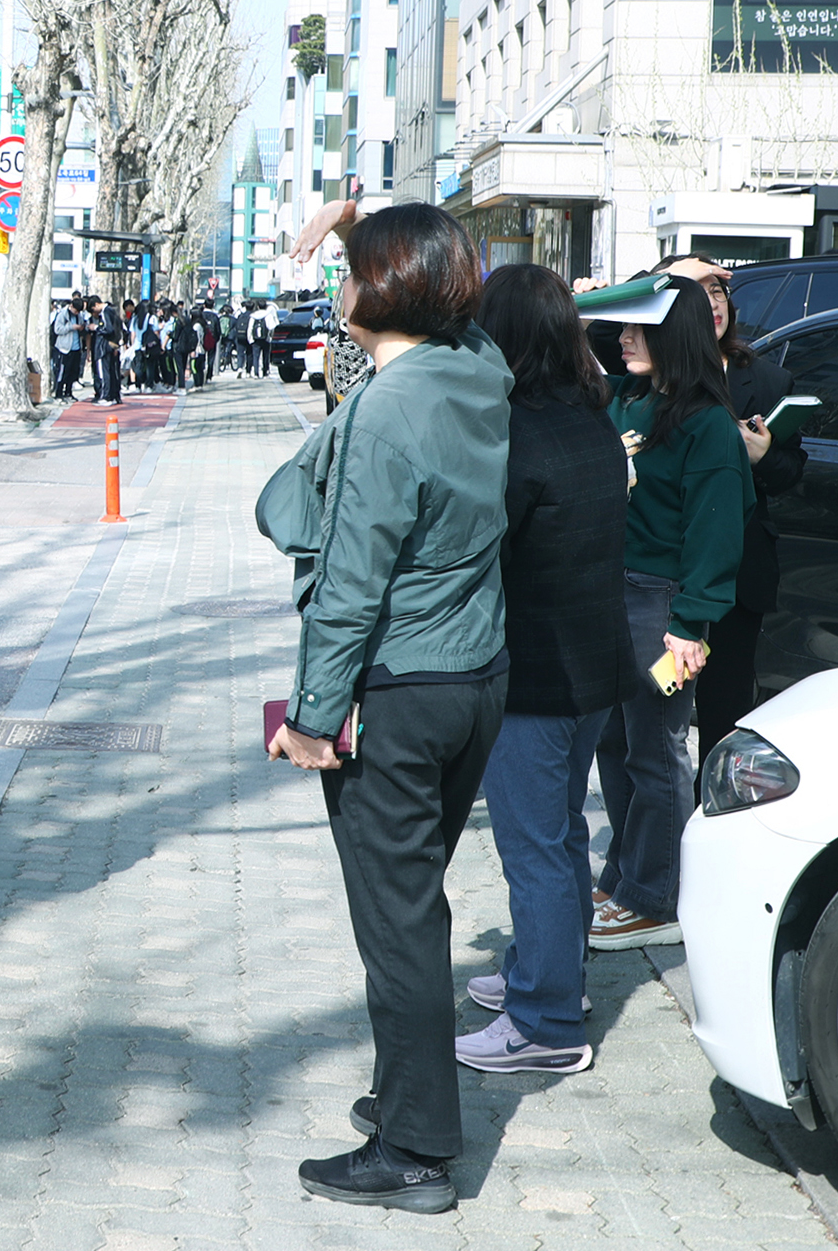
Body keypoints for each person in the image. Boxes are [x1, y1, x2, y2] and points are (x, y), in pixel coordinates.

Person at [255, 203, 514, 1214]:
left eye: (351, 274)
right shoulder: (476, 372)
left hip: (398, 693)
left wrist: (315, 716)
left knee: (399, 925)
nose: (341, 288)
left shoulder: (385, 410)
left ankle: (415, 1150)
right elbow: (454, 315)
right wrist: (351, 236)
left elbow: (350, 584)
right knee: (412, 906)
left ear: (382, 290)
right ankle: (405, 1098)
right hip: (475, 682)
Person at [454, 264, 635, 1076]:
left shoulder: (516, 434)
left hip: (537, 676)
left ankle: (548, 1024)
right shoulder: (590, 418)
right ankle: (544, 975)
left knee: (535, 849)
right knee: (559, 840)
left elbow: (480, 548)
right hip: (594, 664)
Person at [585, 278, 752, 949]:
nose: (623, 336)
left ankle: (656, 895)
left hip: (661, 606)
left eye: (640, 326)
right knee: (613, 743)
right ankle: (628, 873)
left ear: (673, 335)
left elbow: (717, 534)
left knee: (654, 748)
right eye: (624, 326)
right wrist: (631, 294)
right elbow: (584, 325)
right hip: (609, 595)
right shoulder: (626, 397)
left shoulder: (705, 424)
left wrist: (690, 624)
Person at [643, 258, 807, 773]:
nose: (712, 303)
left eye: (718, 293)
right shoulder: (644, 370)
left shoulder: (766, 377)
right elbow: (609, 324)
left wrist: (759, 458)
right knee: (653, 716)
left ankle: (713, 812)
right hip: (664, 575)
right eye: (698, 292)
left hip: (737, 576)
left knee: (725, 710)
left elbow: (791, 471)